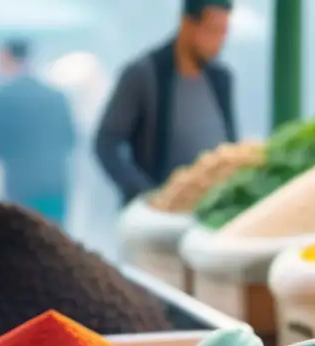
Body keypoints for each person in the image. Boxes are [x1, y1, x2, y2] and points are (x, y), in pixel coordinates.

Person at [95, 0, 237, 204]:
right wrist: (143, 192)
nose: (220, 41)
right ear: (187, 23)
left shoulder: (222, 79)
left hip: (213, 210)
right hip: (159, 215)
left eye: (224, 32)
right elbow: (106, 143)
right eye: (213, 30)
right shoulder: (143, 75)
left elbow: (230, 144)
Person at [0, 40, 77, 224]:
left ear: (6, 57)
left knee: (25, 244)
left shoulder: (2, 96)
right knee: (55, 242)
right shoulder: (56, 95)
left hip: (20, 186)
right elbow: (71, 139)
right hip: (55, 183)